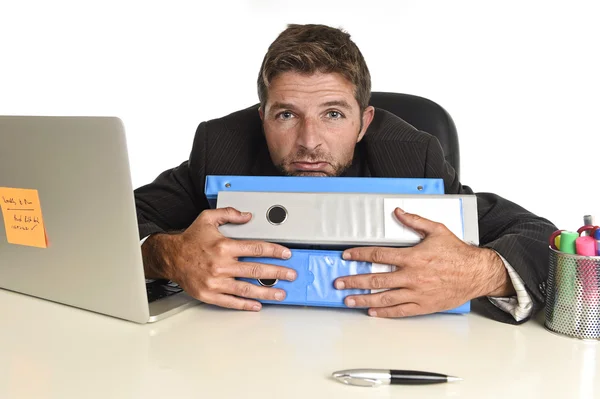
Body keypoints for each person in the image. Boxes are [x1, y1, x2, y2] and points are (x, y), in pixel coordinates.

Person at [134, 23, 556, 325]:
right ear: (261, 117)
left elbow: (541, 236)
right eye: (286, 115)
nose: (309, 142)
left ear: (364, 121)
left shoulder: (411, 156)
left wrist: (482, 272)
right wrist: (166, 255)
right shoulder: (221, 146)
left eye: (333, 114)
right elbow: (113, 218)